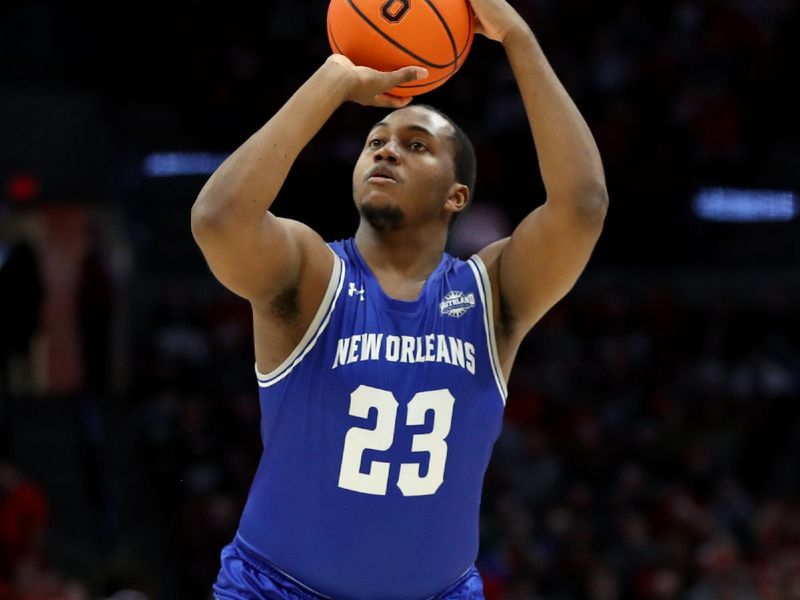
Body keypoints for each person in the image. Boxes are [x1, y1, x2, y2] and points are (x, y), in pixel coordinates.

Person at [191, 0, 607, 597]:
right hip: (275, 588)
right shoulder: (312, 274)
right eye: (375, 141)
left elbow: (583, 206)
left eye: (417, 146)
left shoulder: (489, 294)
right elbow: (217, 219)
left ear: (456, 195)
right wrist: (336, 78)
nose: (386, 150)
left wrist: (516, 35)